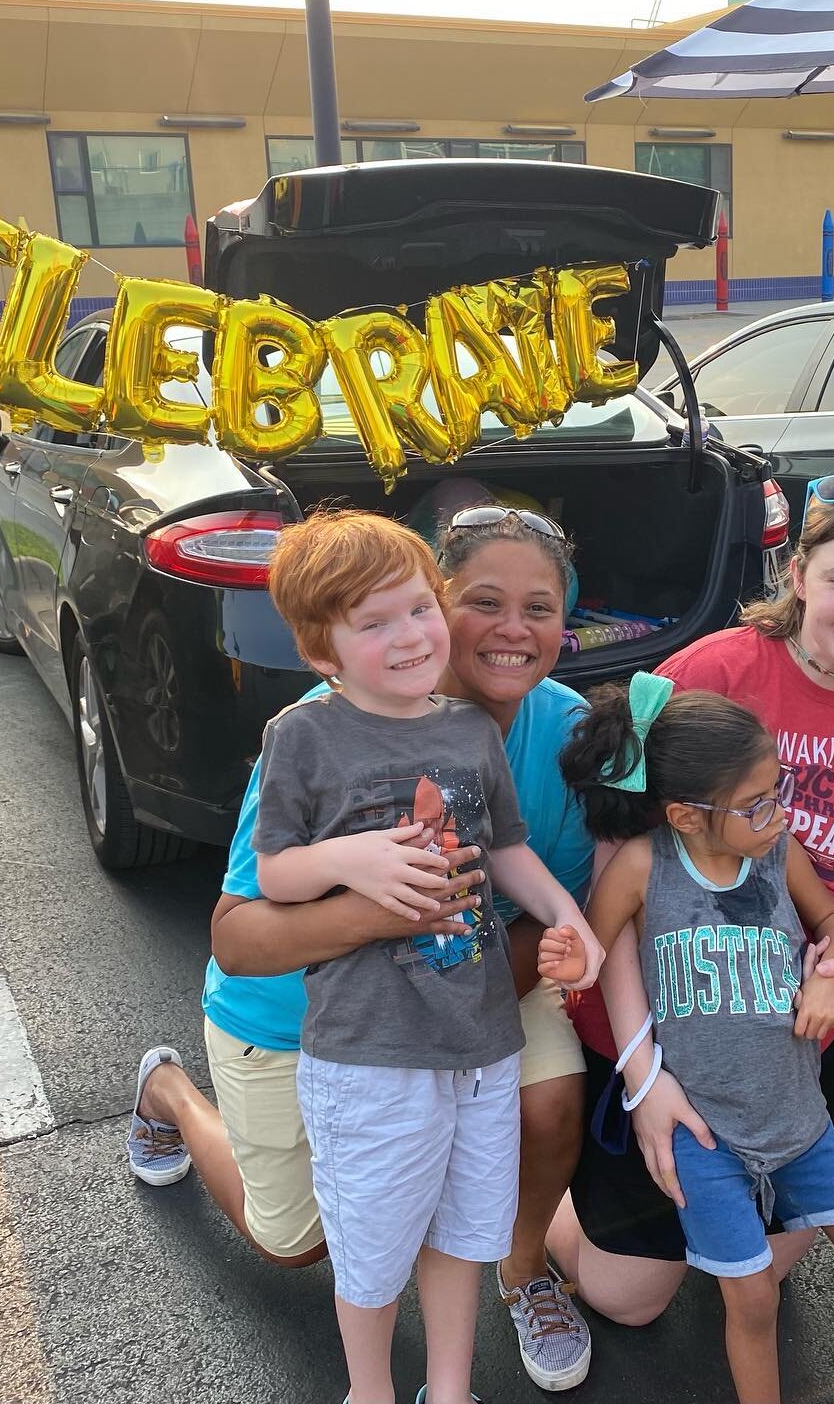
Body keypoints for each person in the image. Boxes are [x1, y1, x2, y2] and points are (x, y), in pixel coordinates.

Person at [126, 507, 603, 1396]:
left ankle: (521, 1269)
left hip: (458, 1006)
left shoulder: (552, 728)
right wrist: (377, 900)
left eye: (540, 607)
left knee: (476, 1177)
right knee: (299, 1243)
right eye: (484, 602)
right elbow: (241, 931)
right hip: (298, 1018)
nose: (511, 629)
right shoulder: (311, 732)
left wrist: (571, 931)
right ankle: (171, 1093)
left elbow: (530, 866)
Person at [548, 479, 834, 1326]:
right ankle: (542, 1181)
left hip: (788, 1041)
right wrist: (645, 1072)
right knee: (628, 1303)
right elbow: (620, 881)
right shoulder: (716, 671)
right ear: (798, 575)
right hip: (661, 1019)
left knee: (769, 1270)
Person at [545, 676, 834, 1404]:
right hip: (703, 1134)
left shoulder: (778, 850)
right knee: (753, 1300)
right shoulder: (643, 866)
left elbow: (832, 919)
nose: (779, 811)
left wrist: (832, 973)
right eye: (757, 802)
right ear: (686, 816)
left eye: (779, 789)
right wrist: (574, 960)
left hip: (796, 1116)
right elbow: (594, 955)